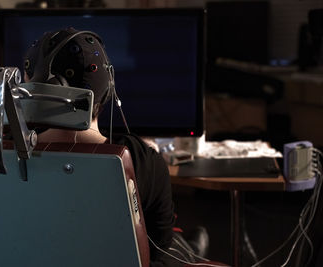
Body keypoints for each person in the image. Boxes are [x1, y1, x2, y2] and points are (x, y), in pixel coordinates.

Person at [23, 27, 207, 266]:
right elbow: (160, 247)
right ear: (107, 89)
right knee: (175, 248)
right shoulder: (142, 159)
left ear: (33, 89)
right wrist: (148, 154)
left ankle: (191, 245)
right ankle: (192, 248)